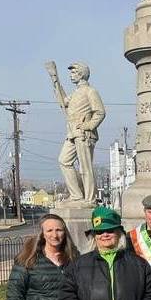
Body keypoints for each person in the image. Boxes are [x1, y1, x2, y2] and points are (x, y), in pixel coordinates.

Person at [46, 61, 106, 204]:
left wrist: (88, 125)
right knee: (64, 160)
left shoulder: (90, 91)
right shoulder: (76, 93)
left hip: (84, 135)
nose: (71, 75)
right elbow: (63, 101)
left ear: (82, 74)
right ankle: (76, 195)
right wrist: (55, 79)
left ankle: (90, 200)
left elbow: (100, 112)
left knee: (85, 168)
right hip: (72, 134)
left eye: (73, 72)